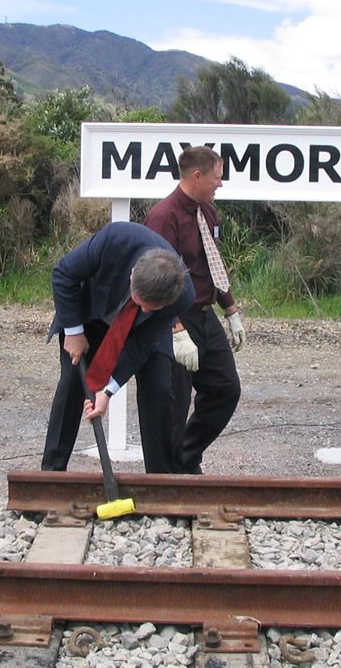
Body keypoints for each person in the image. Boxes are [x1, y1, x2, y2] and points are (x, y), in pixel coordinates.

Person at [42, 221, 195, 473]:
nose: (144, 310)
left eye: (151, 308)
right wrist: (74, 331)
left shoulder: (182, 294)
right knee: (72, 385)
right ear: (133, 274)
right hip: (90, 316)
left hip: (145, 331)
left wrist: (108, 392)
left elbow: (142, 345)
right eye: (141, 302)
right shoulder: (116, 239)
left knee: (159, 387)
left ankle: (160, 480)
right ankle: (51, 473)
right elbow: (63, 273)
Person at [144, 145, 245, 475]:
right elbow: (157, 281)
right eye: (217, 178)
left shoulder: (208, 213)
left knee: (226, 389)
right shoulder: (164, 217)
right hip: (174, 319)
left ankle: (186, 455)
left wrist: (230, 310)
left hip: (205, 314)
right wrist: (175, 329)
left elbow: (212, 263)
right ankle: (170, 478)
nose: (220, 184)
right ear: (197, 176)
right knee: (175, 402)